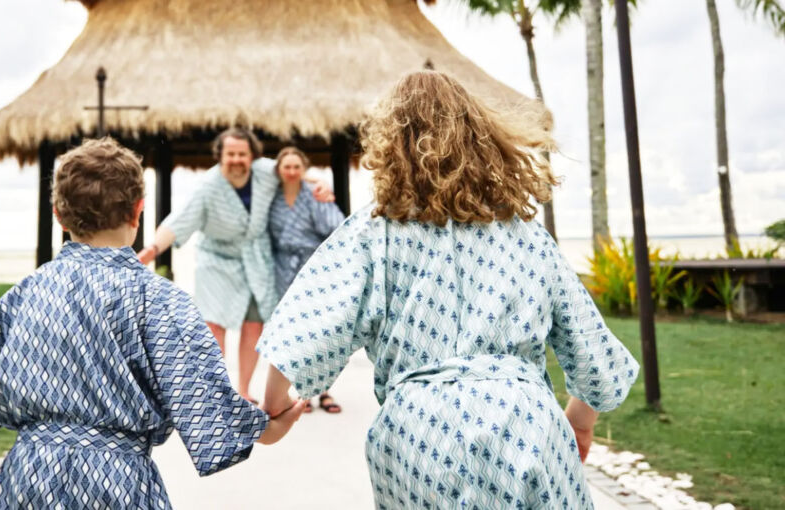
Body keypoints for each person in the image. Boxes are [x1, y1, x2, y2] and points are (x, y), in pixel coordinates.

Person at [258, 71, 639, 509]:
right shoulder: (525, 235)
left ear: (388, 146)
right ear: (481, 137)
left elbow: (304, 326)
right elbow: (592, 353)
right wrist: (578, 423)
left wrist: (274, 410)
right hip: (524, 424)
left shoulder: (371, 233)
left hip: (418, 435)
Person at [0, 138, 306, 510]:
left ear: (59, 215)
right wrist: (271, 427)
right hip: (118, 482)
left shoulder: (28, 291)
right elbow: (202, 397)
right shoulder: (160, 301)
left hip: (27, 477)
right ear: (137, 210)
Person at [138, 128, 331, 403]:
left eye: (242, 154)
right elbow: (179, 220)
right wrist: (153, 249)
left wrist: (319, 182)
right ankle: (219, 389)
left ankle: (242, 389)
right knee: (214, 325)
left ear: (252, 156)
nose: (237, 159)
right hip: (217, 260)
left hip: (256, 258)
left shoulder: (265, 171)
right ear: (220, 155)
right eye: (231, 154)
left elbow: (292, 171)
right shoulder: (208, 186)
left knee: (254, 324)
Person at [269, 146, 346, 413]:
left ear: (304, 169)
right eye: (286, 167)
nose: (291, 172)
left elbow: (338, 227)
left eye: (296, 167)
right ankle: (300, 393)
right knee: (292, 332)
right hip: (281, 269)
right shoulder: (272, 197)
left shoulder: (315, 195)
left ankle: (324, 391)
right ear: (278, 170)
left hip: (313, 269)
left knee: (319, 330)